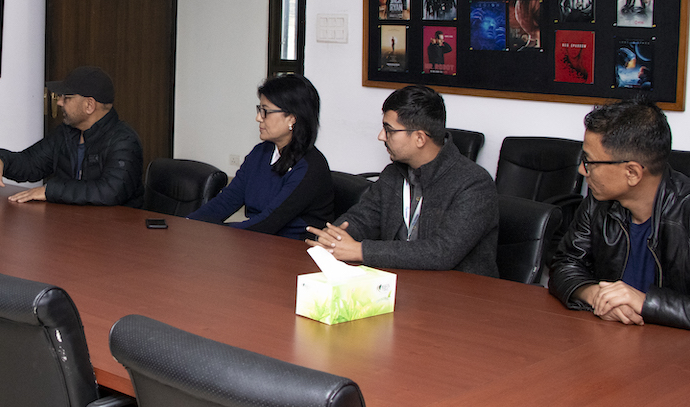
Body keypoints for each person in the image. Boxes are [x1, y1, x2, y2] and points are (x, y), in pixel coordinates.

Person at [547, 101, 690, 335]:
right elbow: (564, 264)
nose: (582, 170)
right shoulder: (598, 203)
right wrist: (595, 295)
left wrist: (647, 303)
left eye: (589, 162)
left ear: (632, 173)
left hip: (684, 351)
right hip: (615, 341)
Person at [308, 85, 497, 275]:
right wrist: (334, 238)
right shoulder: (392, 175)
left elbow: (442, 252)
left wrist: (360, 251)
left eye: (389, 130)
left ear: (419, 138)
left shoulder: (474, 183)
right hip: (398, 280)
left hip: (456, 288)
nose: (381, 136)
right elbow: (362, 219)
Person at [187, 74, 337, 238]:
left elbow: (269, 222)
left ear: (292, 118)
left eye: (266, 111)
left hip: (293, 247)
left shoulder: (310, 167)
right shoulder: (261, 153)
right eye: (259, 110)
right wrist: (188, 223)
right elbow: (228, 200)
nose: (258, 118)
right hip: (258, 241)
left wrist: (218, 234)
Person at [0, 65, 143, 206]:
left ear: (89, 105)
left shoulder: (124, 141)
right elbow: (30, 163)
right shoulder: (65, 133)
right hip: (71, 224)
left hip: (114, 230)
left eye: (66, 98)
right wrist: (0, 160)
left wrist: (50, 190)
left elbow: (110, 192)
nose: (60, 102)